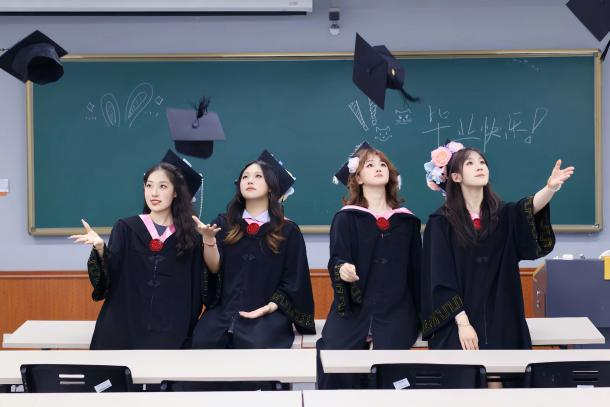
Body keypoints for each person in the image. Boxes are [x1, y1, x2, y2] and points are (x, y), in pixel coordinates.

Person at [421, 142, 574, 352]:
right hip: (459, 321)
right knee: (464, 367)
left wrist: (550, 188)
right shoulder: (441, 222)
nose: (479, 166)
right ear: (455, 176)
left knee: (506, 367)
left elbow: (529, 209)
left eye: (482, 162)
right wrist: (463, 324)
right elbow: (440, 277)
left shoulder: (502, 215)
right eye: (470, 163)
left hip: (502, 314)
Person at [69, 150, 204, 350]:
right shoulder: (127, 228)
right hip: (124, 326)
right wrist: (100, 249)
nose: (154, 193)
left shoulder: (191, 237)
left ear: (176, 192)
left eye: (162, 186)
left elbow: (196, 291)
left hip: (170, 330)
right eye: (149, 185)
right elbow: (108, 281)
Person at [317, 141, 422, 389]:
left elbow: (417, 272)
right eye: (370, 165)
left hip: (396, 310)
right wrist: (342, 269)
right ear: (358, 178)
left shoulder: (406, 222)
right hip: (354, 310)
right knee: (333, 352)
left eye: (383, 164)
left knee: (390, 371)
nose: (378, 168)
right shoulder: (346, 218)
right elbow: (337, 258)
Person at [191, 150, 315, 349]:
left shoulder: (287, 231)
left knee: (257, 345)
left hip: (267, 316)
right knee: (203, 341)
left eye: (258, 176)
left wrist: (269, 308)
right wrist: (208, 240)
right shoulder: (224, 224)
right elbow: (214, 269)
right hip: (224, 313)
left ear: (271, 186)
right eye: (245, 177)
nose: (250, 180)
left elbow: (293, 281)